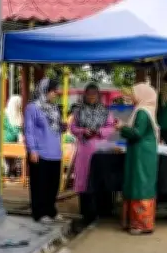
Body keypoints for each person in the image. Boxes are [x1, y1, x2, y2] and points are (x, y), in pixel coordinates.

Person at [69, 83, 114, 227]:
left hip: (100, 149)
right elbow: (73, 127)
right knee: (85, 180)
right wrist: (83, 131)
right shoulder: (78, 111)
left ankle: (102, 211)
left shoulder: (106, 112)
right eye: (89, 95)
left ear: (98, 95)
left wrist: (100, 131)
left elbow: (111, 127)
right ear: (85, 95)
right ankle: (87, 213)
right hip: (84, 150)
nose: (92, 98)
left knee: (99, 179)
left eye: (94, 95)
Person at [116, 83, 159, 235]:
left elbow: (137, 133)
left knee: (140, 185)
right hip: (141, 153)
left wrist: (122, 127)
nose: (132, 96)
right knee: (136, 183)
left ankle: (141, 224)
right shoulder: (145, 110)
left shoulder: (142, 112)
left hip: (141, 154)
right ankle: (134, 222)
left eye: (134, 93)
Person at [24, 78, 64, 224]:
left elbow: (54, 128)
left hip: (55, 152)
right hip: (39, 152)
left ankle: (50, 210)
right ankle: (39, 213)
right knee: (39, 184)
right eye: (54, 91)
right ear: (44, 90)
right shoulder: (32, 108)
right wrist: (32, 150)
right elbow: (28, 130)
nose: (56, 94)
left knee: (53, 185)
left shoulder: (54, 108)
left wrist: (62, 126)